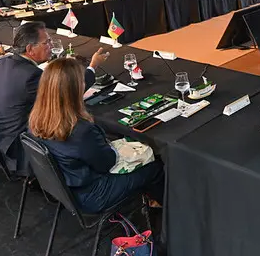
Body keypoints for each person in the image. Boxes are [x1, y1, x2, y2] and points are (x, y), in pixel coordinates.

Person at [28, 58, 164, 213]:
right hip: (92, 195)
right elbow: (107, 163)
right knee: (156, 168)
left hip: (63, 189)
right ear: (75, 90)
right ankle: (163, 207)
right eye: (82, 81)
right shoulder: (80, 130)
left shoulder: (35, 120)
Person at [0, 21, 109, 172]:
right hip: (18, 146)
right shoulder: (31, 76)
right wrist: (92, 67)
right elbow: (68, 93)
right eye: (47, 42)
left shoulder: (4, 62)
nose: (51, 45)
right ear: (30, 49)